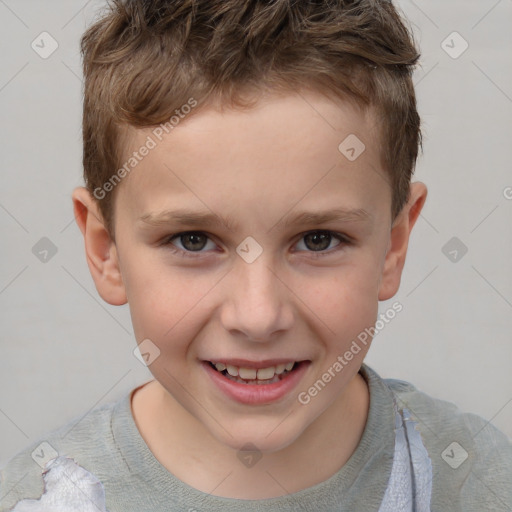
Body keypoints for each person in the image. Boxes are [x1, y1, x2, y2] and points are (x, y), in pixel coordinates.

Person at [1, 1, 511, 510]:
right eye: (193, 240)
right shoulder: (35, 499)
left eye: (318, 239)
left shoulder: (478, 483)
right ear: (104, 248)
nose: (258, 316)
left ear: (393, 247)